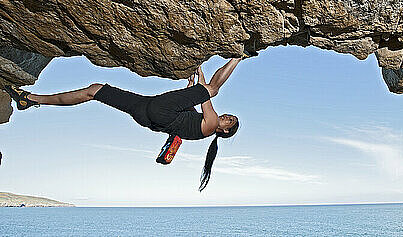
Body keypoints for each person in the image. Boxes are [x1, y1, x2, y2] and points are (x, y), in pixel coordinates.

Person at [3, 56, 250, 191]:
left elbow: (207, 94)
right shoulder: (202, 125)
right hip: (146, 112)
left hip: (161, 112)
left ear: (224, 130)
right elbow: (195, 99)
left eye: (230, 121)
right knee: (94, 91)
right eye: (231, 115)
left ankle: (239, 55)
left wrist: (202, 83)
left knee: (213, 90)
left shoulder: (208, 128)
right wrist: (198, 83)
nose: (227, 117)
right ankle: (31, 100)